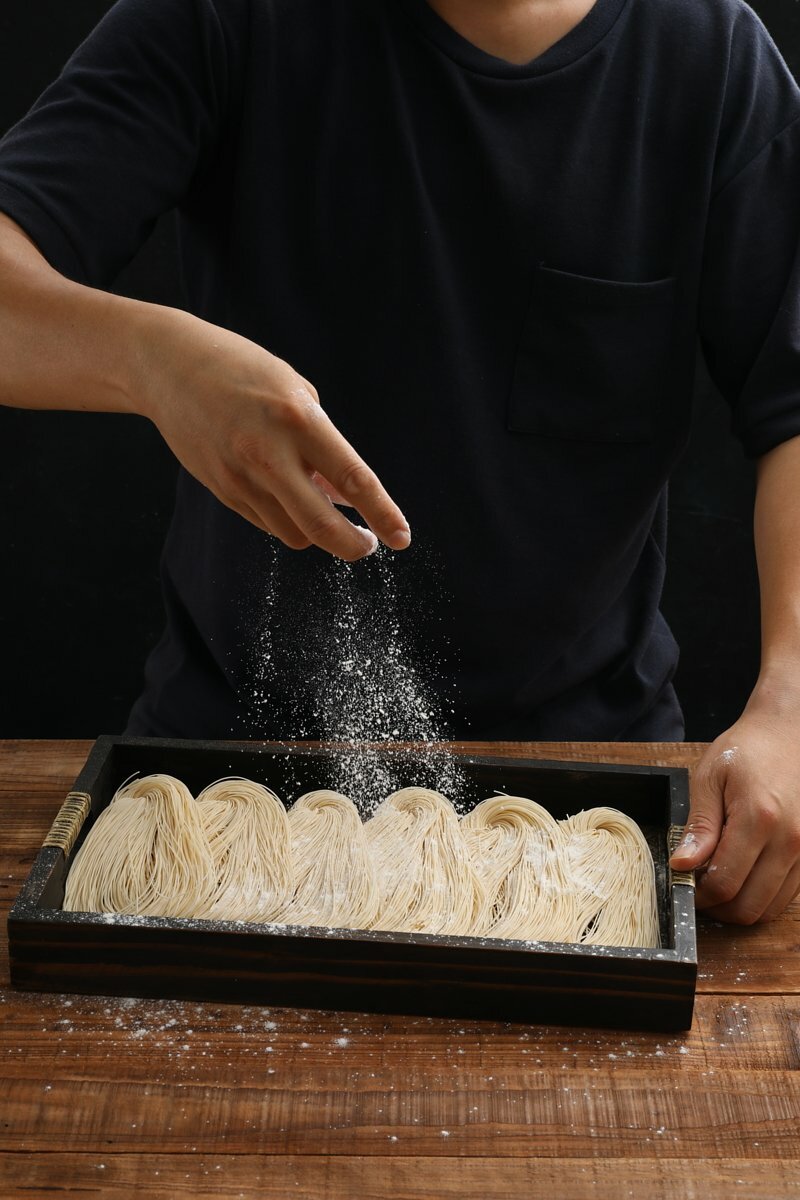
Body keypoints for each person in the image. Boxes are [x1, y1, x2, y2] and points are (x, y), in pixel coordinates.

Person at [1, 0, 799, 925]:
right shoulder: (224, 17)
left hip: (587, 801)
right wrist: (152, 361)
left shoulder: (710, 54)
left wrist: (789, 701)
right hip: (223, 782)